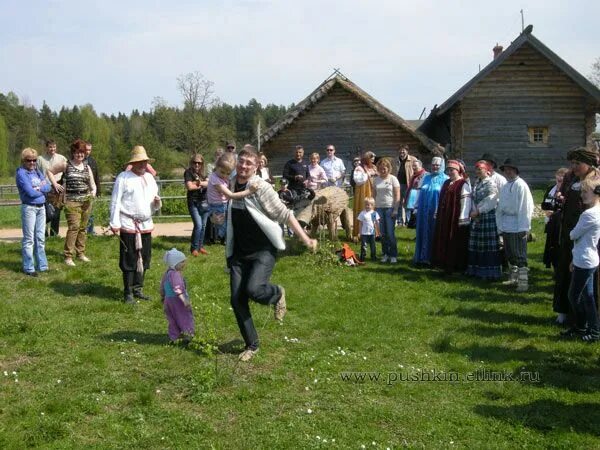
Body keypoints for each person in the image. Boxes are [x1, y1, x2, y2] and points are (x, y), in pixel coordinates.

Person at [227, 146, 318, 361]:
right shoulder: (231, 182)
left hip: (262, 250)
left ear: (257, 166)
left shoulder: (261, 188)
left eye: (249, 163)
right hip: (239, 252)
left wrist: (305, 239)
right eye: (241, 162)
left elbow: (286, 214)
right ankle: (252, 345)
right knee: (237, 299)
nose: (244, 166)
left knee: (254, 289)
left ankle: (277, 293)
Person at [553, 147, 600, 325]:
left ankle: (587, 320)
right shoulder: (571, 178)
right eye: (572, 163)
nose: (574, 167)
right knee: (565, 272)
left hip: (588, 235)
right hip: (569, 235)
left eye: (577, 163)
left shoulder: (595, 179)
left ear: (588, 163)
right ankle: (566, 312)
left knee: (586, 280)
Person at [110, 145, 162, 304]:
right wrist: (114, 222)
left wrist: (157, 203)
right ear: (133, 162)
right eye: (139, 162)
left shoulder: (149, 178)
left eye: (144, 162)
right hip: (128, 224)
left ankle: (138, 288)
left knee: (145, 257)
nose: (142, 165)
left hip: (145, 225)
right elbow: (115, 201)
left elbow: (154, 199)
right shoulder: (123, 177)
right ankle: (128, 292)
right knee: (129, 258)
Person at [560, 178, 600, 342]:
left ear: (596, 193)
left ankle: (591, 328)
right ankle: (584, 327)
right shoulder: (596, 211)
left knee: (573, 296)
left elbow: (573, 234)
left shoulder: (589, 214)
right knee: (588, 296)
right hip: (587, 257)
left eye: (585, 192)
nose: (582, 195)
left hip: (584, 260)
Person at [46, 139, 97, 266]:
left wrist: (93, 193)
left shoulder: (87, 167)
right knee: (74, 227)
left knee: (83, 228)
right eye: (77, 152)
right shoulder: (66, 165)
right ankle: (68, 256)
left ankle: (80, 253)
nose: (80, 155)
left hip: (86, 201)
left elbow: (93, 185)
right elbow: (49, 171)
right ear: (73, 153)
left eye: (82, 152)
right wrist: (55, 184)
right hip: (71, 202)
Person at [496, 158, 535, 291]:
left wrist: (524, 227)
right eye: (506, 170)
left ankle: (523, 282)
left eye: (510, 170)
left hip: (517, 224)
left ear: (515, 171)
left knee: (519, 254)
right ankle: (513, 278)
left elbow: (525, 207)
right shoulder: (506, 186)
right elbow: (500, 206)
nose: (507, 172)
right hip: (507, 223)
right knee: (510, 253)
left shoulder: (520, 185)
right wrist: (500, 225)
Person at [207, 153, 258, 244]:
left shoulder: (220, 177)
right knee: (225, 226)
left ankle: (225, 238)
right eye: (222, 172)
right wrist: (250, 191)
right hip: (217, 206)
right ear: (217, 166)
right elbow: (230, 195)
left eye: (228, 173)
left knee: (228, 224)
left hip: (222, 204)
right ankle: (222, 237)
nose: (225, 176)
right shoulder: (215, 180)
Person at [16, 147, 51, 276]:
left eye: (34, 160)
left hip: (41, 207)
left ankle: (42, 265)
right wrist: (40, 188)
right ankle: (29, 267)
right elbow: (30, 193)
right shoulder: (21, 173)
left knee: (40, 238)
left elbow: (48, 187)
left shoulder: (37, 171)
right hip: (29, 208)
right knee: (29, 239)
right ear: (23, 160)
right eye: (28, 160)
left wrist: (38, 188)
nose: (32, 163)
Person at [431, 160, 471, 273]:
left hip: (455, 217)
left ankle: (455, 266)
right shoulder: (446, 182)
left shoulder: (463, 184)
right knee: (443, 238)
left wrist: (463, 218)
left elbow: (466, 202)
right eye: (448, 170)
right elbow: (441, 199)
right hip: (444, 216)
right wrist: (437, 212)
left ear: (458, 171)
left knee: (454, 239)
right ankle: (442, 263)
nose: (450, 172)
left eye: (452, 170)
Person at [465, 161, 502, 280]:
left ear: (487, 170)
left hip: (487, 216)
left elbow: (492, 200)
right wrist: (474, 211)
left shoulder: (490, 183)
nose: (477, 171)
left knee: (486, 245)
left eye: (480, 169)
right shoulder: (477, 182)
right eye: (476, 169)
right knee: (477, 244)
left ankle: (489, 272)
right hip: (477, 216)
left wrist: (479, 211)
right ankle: (475, 269)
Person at [413, 157, 448, 264]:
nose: (435, 167)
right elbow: (418, 193)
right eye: (433, 165)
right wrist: (416, 207)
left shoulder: (446, 179)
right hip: (423, 211)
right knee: (423, 232)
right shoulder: (425, 177)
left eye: (437, 165)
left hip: (436, 211)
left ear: (442, 166)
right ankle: (422, 257)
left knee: (435, 232)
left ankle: (434, 258)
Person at [161, 248, 195, 344]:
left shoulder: (167, 273)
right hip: (177, 301)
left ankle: (174, 336)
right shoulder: (175, 274)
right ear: (176, 263)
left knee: (172, 318)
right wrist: (184, 300)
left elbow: (162, 286)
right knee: (184, 316)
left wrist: (163, 296)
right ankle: (188, 334)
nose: (184, 264)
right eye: (182, 262)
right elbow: (177, 289)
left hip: (168, 300)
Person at [37, 139, 67, 237]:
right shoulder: (40, 159)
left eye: (54, 147)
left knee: (57, 211)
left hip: (58, 187)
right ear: (46, 147)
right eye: (50, 147)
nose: (52, 149)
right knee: (45, 211)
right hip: (45, 187)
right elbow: (37, 173)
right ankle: (43, 232)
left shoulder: (62, 158)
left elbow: (67, 171)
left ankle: (54, 233)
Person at [373, 157, 401, 263]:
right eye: (380, 169)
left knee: (390, 233)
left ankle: (393, 254)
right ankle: (385, 254)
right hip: (379, 208)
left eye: (384, 168)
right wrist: (373, 209)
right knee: (382, 233)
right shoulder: (376, 180)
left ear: (389, 169)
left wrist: (395, 209)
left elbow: (397, 195)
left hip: (390, 208)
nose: (382, 170)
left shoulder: (393, 179)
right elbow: (373, 195)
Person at [541, 167, 568, 272]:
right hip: (550, 222)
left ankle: (560, 269)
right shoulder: (551, 189)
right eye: (558, 175)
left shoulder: (567, 191)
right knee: (551, 244)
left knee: (559, 245)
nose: (560, 177)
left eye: (563, 176)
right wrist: (548, 210)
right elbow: (544, 204)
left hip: (561, 223)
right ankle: (554, 266)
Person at [184, 153, 209, 256]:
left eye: (199, 163)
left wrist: (197, 183)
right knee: (198, 225)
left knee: (203, 226)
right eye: (195, 162)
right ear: (192, 163)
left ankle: (200, 246)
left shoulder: (204, 173)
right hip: (193, 202)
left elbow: (209, 184)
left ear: (202, 163)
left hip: (204, 202)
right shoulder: (188, 172)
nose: (197, 165)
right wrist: (201, 184)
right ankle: (194, 248)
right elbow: (189, 187)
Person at [352, 151, 377, 240]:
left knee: (373, 210)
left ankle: (374, 233)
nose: (373, 159)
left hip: (372, 191)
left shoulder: (374, 167)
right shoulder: (359, 168)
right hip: (363, 191)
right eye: (371, 157)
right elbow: (357, 180)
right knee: (362, 210)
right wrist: (367, 174)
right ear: (367, 158)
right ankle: (359, 233)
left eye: (374, 157)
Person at [396, 144, 417, 226]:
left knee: (408, 203)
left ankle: (408, 221)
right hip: (397, 185)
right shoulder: (395, 160)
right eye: (400, 150)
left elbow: (417, 171)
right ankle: (399, 221)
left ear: (407, 151)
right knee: (398, 203)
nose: (402, 152)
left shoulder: (412, 159)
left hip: (409, 185)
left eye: (403, 150)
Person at [405, 159, 428, 227]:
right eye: (413, 166)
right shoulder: (414, 176)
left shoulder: (426, 175)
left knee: (420, 218)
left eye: (415, 166)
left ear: (420, 166)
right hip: (413, 200)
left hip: (421, 199)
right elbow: (410, 187)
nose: (413, 168)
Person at [84, 141, 100, 235]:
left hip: (91, 190)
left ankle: (90, 230)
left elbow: (97, 176)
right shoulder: (78, 160)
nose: (87, 152)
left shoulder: (93, 161)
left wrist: (98, 191)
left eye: (89, 150)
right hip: (81, 189)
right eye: (86, 149)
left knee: (91, 211)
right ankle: (82, 230)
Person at [357, 197, 380, 262]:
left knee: (373, 246)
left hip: (372, 233)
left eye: (369, 205)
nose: (367, 206)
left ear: (372, 205)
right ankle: (362, 257)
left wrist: (377, 232)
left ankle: (373, 256)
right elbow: (360, 223)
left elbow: (376, 223)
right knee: (364, 246)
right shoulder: (362, 213)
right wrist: (359, 232)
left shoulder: (374, 213)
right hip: (364, 233)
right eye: (366, 204)